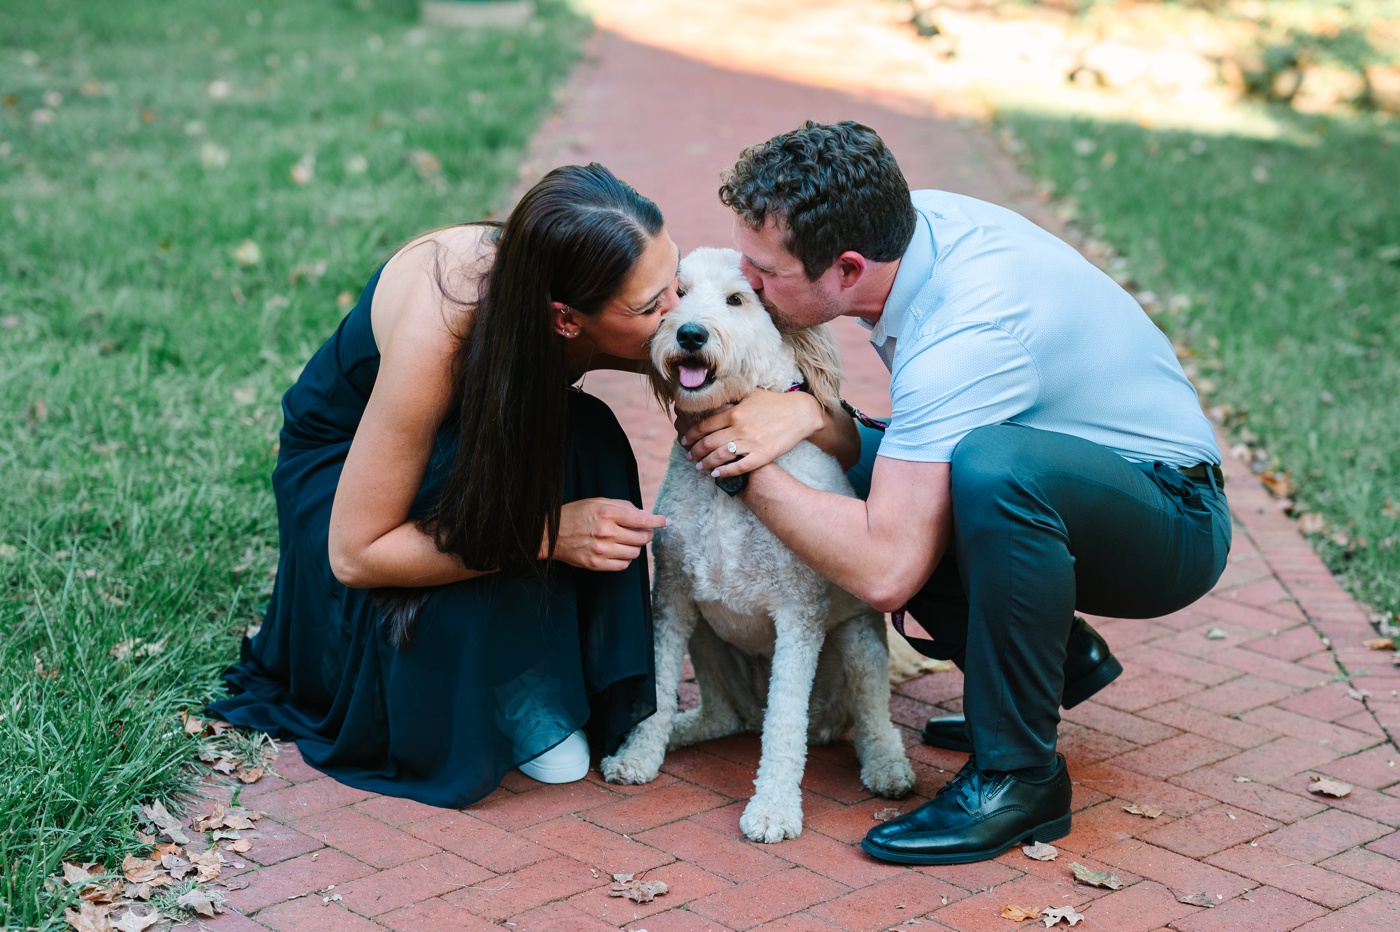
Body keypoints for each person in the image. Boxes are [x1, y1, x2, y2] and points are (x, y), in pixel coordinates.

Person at [209, 163, 854, 809]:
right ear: (565, 320)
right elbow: (356, 554)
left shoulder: (613, 284)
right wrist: (549, 535)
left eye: (675, 282)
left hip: (480, 446)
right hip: (355, 476)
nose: (678, 313)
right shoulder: (445, 319)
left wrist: (805, 412)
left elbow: (831, 415)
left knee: (589, 434)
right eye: (653, 304)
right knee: (553, 447)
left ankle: (556, 671)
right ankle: (502, 684)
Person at [681, 121, 1231, 864]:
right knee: (907, 472)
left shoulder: (963, 332)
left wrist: (740, 468)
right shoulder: (906, 231)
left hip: (1171, 521)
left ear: (847, 268)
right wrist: (814, 416)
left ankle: (1019, 778)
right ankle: (1052, 663)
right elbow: (910, 455)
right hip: (1082, 474)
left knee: (992, 472)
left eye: (764, 272)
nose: (747, 282)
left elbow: (887, 571)